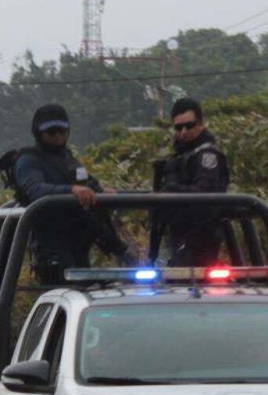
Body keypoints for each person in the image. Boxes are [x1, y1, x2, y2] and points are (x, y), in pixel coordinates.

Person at [12, 104, 127, 284]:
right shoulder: (29, 160)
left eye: (62, 131)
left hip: (80, 244)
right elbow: (35, 190)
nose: (58, 136)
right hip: (53, 247)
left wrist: (102, 192)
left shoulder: (68, 158)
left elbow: (87, 182)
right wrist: (71, 190)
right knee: (67, 293)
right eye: (51, 132)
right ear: (38, 132)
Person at [150, 97, 230, 267]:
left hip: (200, 236)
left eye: (189, 126)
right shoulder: (181, 154)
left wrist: (173, 190)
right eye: (178, 127)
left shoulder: (207, 155)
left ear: (201, 124)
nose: (184, 132)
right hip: (177, 233)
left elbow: (205, 194)